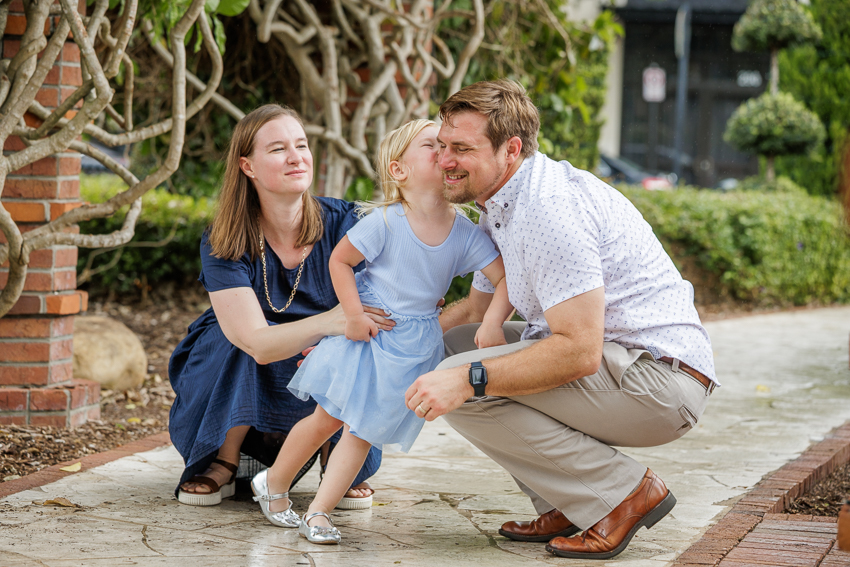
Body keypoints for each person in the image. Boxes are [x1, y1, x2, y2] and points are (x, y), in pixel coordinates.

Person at [404, 80, 718, 560]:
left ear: (510, 149)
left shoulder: (547, 211)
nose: (444, 160)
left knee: (458, 380)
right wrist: (373, 341)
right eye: (443, 145)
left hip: (660, 383)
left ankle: (622, 494)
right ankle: (570, 503)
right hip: (624, 369)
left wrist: (468, 380)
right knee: (453, 349)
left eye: (462, 148)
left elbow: (578, 350)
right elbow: (472, 312)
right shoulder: (503, 201)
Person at [249, 119, 514, 544]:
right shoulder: (386, 222)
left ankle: (317, 511)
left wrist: (493, 321)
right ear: (399, 170)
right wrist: (352, 316)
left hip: (413, 346)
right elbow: (340, 262)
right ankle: (274, 483)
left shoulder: (464, 232)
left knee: (362, 432)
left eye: (448, 145)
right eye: (432, 145)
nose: (443, 152)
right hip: (368, 335)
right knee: (326, 419)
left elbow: (505, 278)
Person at [168, 104, 388, 508]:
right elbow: (258, 342)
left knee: (354, 338)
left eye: (301, 145)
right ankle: (223, 459)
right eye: (277, 149)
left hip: (316, 358)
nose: (296, 157)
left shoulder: (346, 223)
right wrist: (333, 320)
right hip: (240, 363)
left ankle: (335, 457)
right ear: (247, 166)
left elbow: (379, 301)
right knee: (232, 337)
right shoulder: (224, 239)